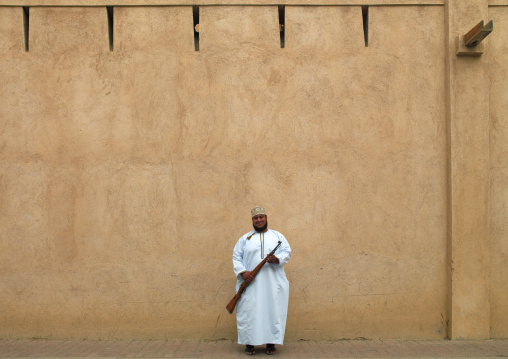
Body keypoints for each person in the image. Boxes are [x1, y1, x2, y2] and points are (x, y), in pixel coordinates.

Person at [232, 206, 292, 355]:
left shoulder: (278, 236)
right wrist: (243, 272)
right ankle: (250, 344)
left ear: (266, 218)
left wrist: (277, 259)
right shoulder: (245, 238)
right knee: (249, 312)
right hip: (250, 284)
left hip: (273, 283)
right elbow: (236, 257)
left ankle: (271, 344)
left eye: (261, 217)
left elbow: (287, 252)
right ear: (252, 220)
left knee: (272, 311)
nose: (259, 220)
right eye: (255, 218)